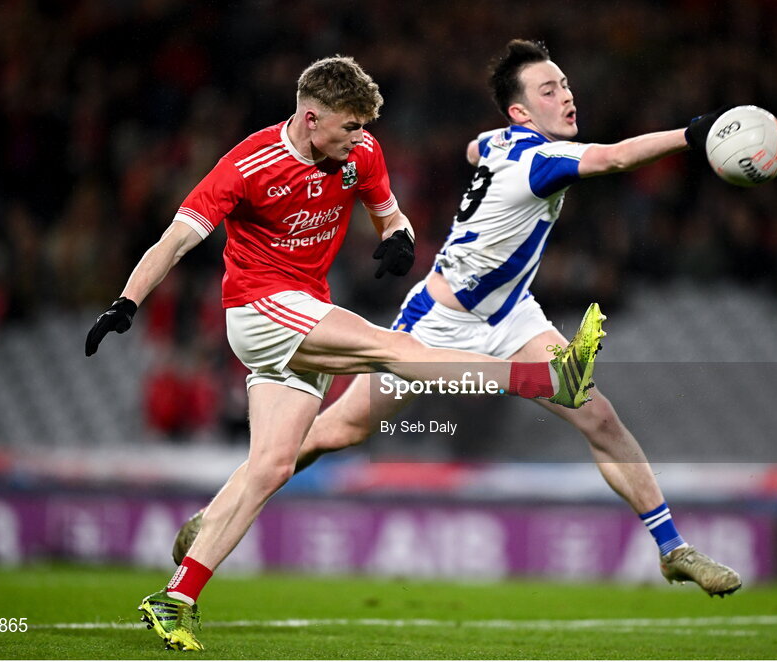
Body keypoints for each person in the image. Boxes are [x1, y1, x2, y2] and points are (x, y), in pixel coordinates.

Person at [171, 40, 743, 599]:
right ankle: (219, 511)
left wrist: (482, 152)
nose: (567, 96)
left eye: (565, 84)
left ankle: (673, 550)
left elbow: (474, 148)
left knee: (599, 417)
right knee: (339, 430)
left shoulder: (500, 143)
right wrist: (695, 133)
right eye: (550, 89)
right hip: (438, 321)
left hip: (513, 313)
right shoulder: (540, 160)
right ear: (521, 110)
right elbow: (616, 156)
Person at [85, 55, 606, 652]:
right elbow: (174, 238)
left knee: (274, 467)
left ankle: (175, 597)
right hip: (258, 309)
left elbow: (389, 213)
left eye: (364, 127)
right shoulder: (247, 165)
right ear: (311, 120)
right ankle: (544, 378)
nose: (360, 139)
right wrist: (126, 303)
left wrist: (399, 239)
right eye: (349, 127)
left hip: (305, 316)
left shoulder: (360, 151)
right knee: (396, 350)